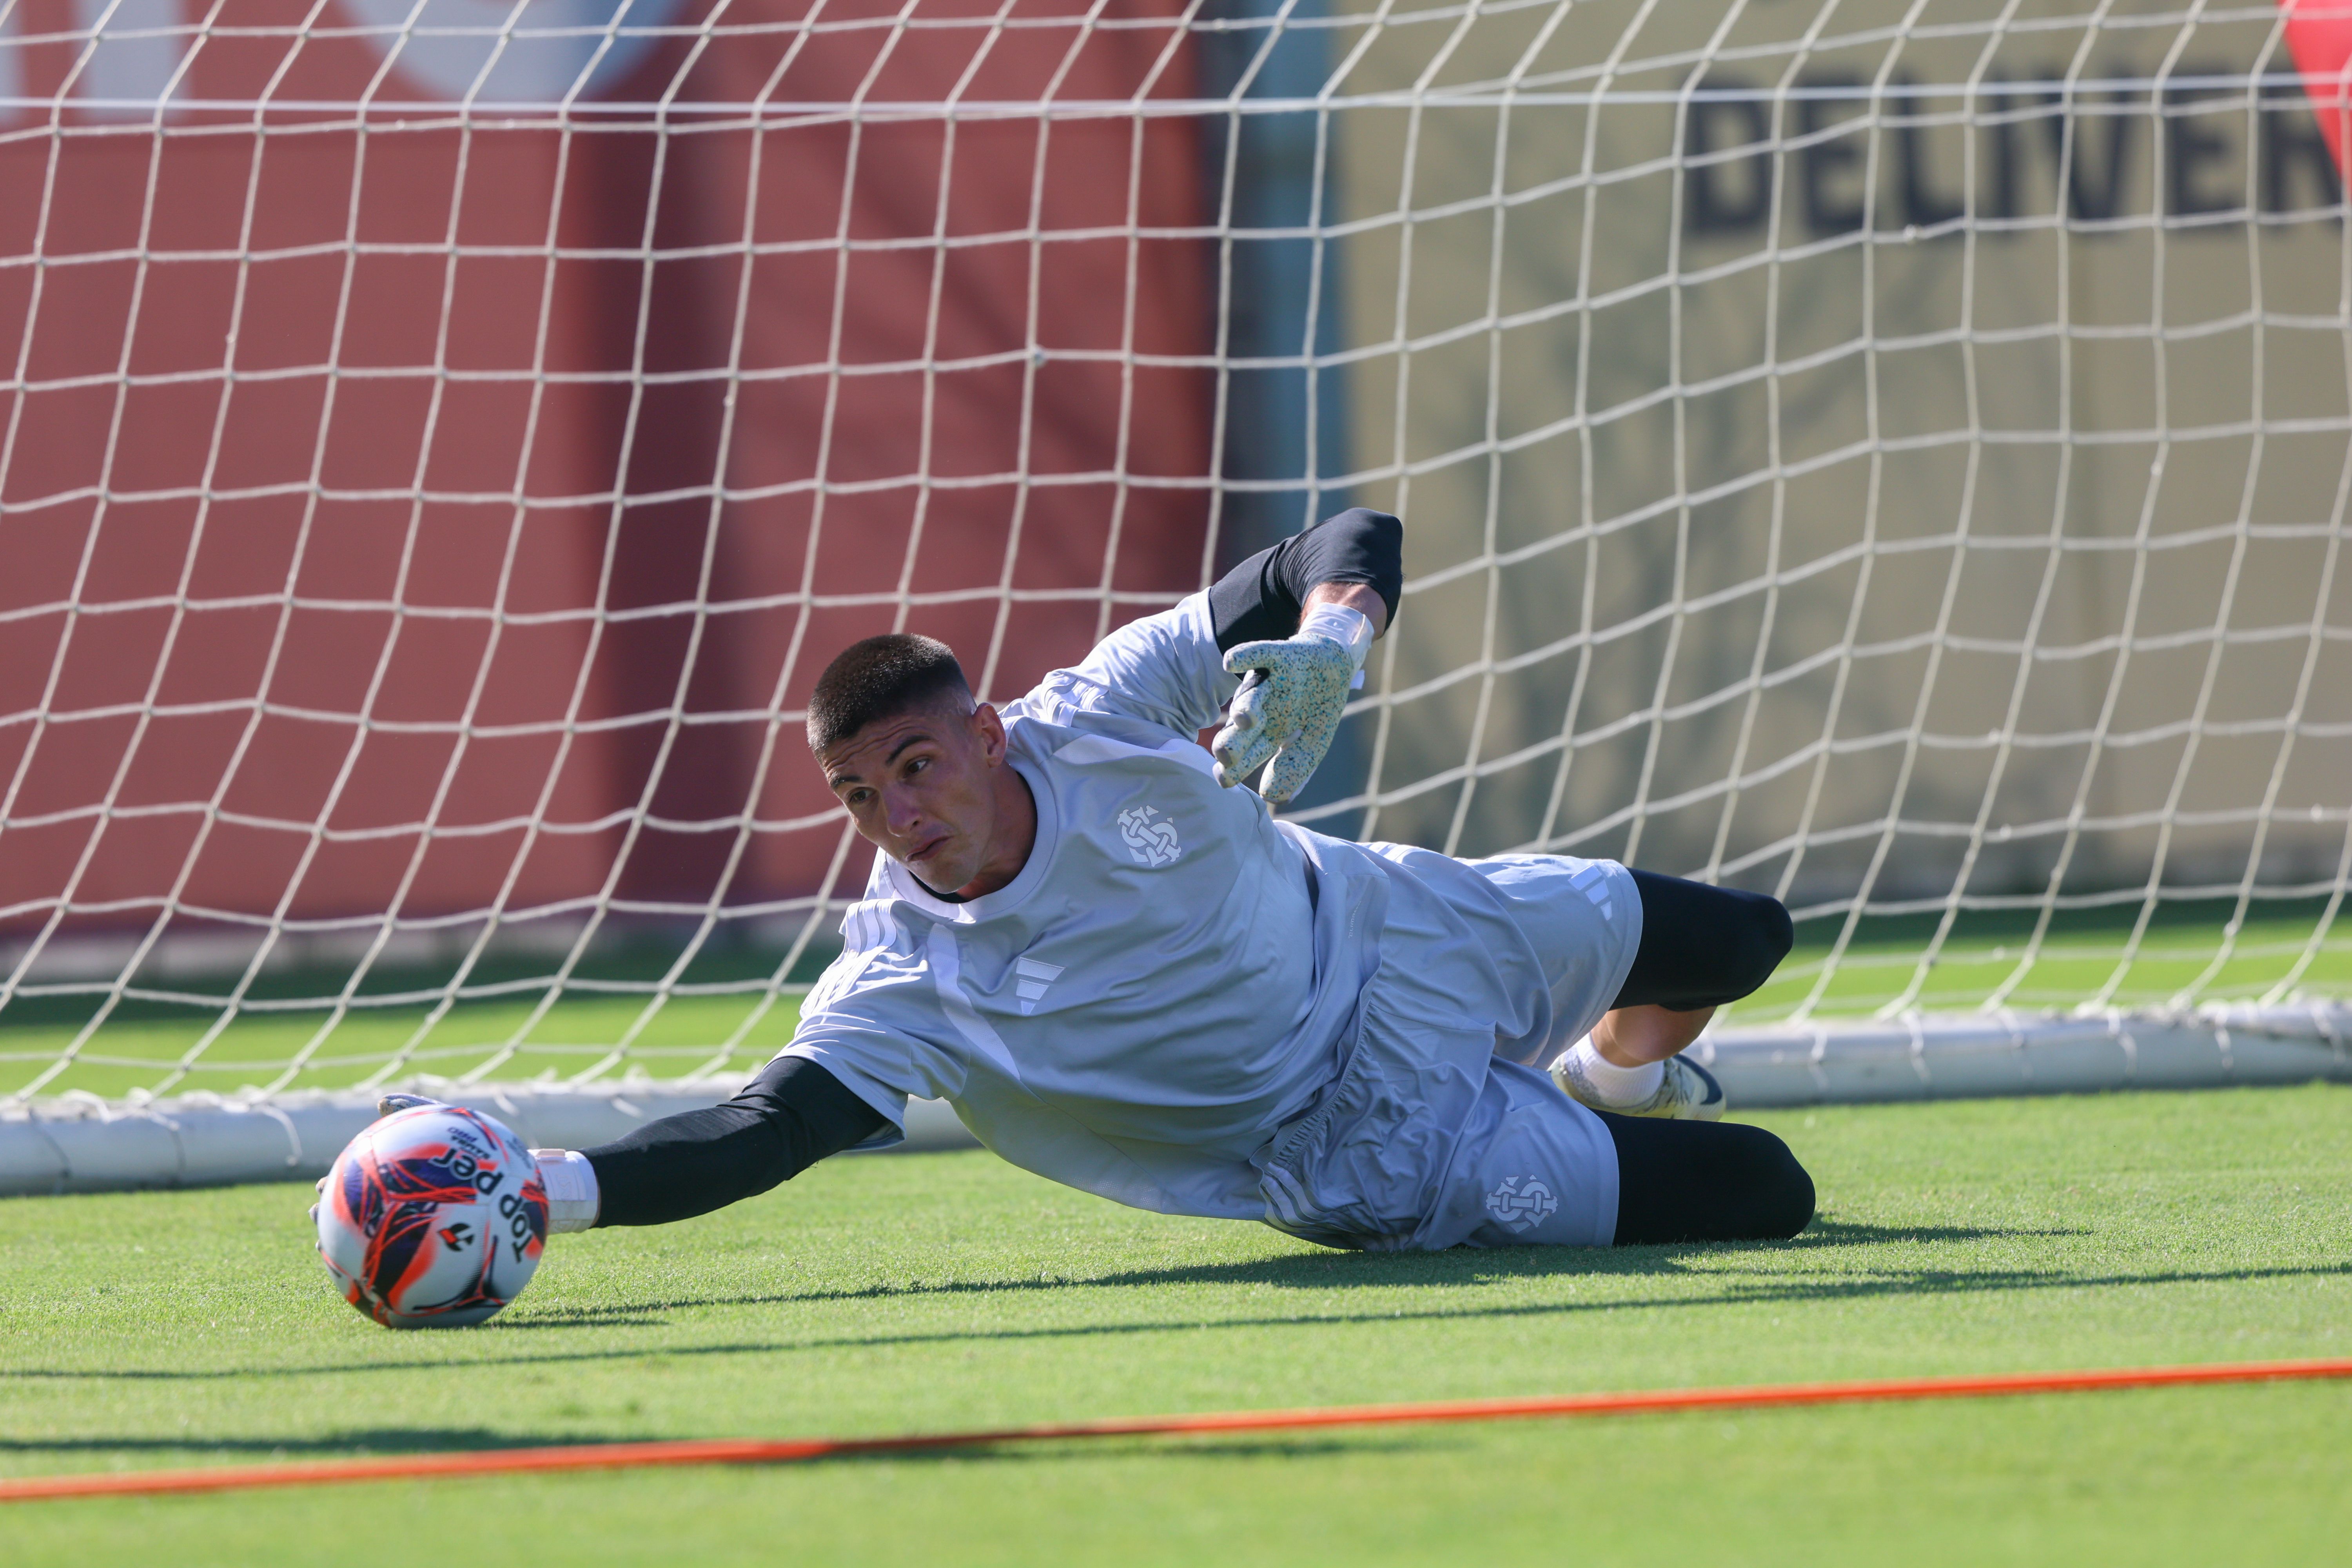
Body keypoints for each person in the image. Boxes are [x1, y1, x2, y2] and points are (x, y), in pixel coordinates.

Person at [515, 508, 1813, 1251]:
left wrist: (1331, 643)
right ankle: (1575, 1110)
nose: (898, 817)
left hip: (1401, 927)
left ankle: (1611, 1077)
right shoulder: (901, 979)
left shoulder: (1102, 708)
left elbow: (1348, 538)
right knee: (1767, 1192)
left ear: (986, 733)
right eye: (861, 796)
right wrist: (547, 1191)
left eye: (916, 766)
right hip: (1361, 1140)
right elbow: (760, 1133)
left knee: (1747, 939)